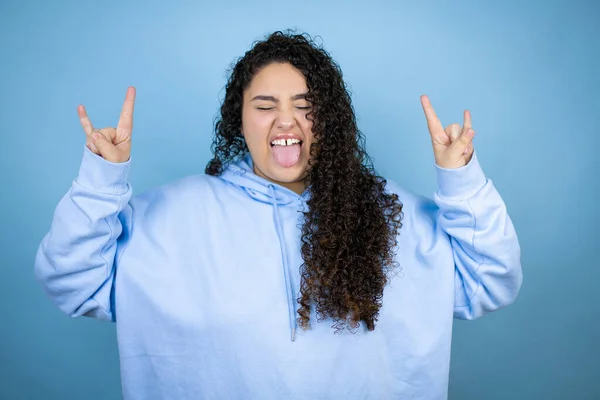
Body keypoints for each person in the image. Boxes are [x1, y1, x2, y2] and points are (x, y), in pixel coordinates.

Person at [34, 31, 522, 400]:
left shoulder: (391, 214)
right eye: (265, 106)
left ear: (328, 120)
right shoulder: (169, 217)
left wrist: (460, 180)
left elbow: (492, 281)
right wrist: (102, 179)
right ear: (239, 120)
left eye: (306, 106)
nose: (285, 121)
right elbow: (72, 283)